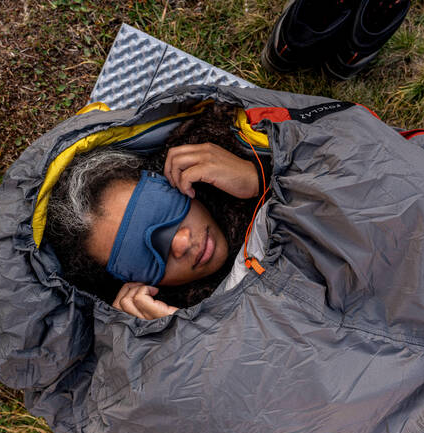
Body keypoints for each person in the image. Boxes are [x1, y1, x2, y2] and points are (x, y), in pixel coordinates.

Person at [45, 104, 270, 319]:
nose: (182, 243)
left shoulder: (245, 145)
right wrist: (180, 338)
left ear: (166, 177)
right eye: (142, 259)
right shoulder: (165, 331)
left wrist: (263, 178)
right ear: (130, 284)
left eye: (162, 210)